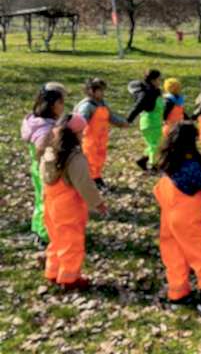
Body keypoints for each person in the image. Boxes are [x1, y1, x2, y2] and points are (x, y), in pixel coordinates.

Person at [153, 121, 201, 314]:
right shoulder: (190, 164)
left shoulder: (168, 161)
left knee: (174, 255)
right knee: (200, 255)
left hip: (168, 216)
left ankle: (178, 295)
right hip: (186, 217)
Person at [41, 114, 108, 291]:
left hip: (50, 203)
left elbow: (43, 178)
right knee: (72, 243)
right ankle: (69, 278)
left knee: (56, 239)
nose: (84, 135)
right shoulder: (75, 158)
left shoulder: (49, 152)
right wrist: (98, 203)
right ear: (76, 134)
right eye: (82, 132)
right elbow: (85, 184)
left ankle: (52, 271)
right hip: (69, 207)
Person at [21, 83, 66, 245]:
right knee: (48, 202)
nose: (63, 106)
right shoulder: (47, 129)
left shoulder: (33, 120)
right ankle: (44, 236)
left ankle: (37, 229)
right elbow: (41, 150)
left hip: (36, 168)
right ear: (53, 105)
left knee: (40, 200)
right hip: (47, 170)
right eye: (61, 102)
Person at [74, 78, 130, 190]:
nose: (103, 93)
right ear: (91, 91)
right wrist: (76, 136)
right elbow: (80, 123)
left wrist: (122, 123)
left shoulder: (102, 103)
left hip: (101, 139)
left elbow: (110, 116)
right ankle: (95, 183)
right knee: (91, 161)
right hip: (89, 140)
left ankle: (96, 181)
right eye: (100, 91)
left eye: (103, 90)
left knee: (99, 159)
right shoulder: (87, 106)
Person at [127, 69, 164, 172]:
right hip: (150, 123)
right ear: (152, 80)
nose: (160, 82)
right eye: (159, 79)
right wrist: (128, 120)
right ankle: (153, 166)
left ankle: (143, 160)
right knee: (155, 145)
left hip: (155, 123)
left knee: (154, 144)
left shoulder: (155, 91)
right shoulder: (147, 93)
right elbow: (137, 107)